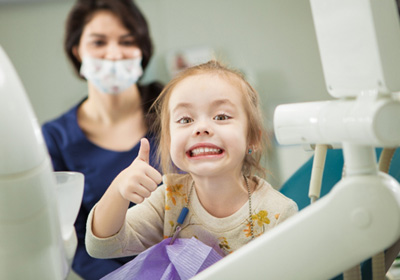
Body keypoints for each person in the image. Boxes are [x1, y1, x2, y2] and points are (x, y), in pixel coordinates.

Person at [85, 61, 298, 266]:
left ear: (253, 139)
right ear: (169, 141)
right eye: (186, 120)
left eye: (222, 116)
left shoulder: (279, 213)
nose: (202, 128)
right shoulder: (169, 198)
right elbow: (102, 246)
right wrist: (118, 189)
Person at [41, 0, 163, 279]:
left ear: (142, 50)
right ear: (77, 51)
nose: (113, 54)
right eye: (98, 42)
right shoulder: (55, 139)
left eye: (126, 41)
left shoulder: (175, 112)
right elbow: (70, 236)